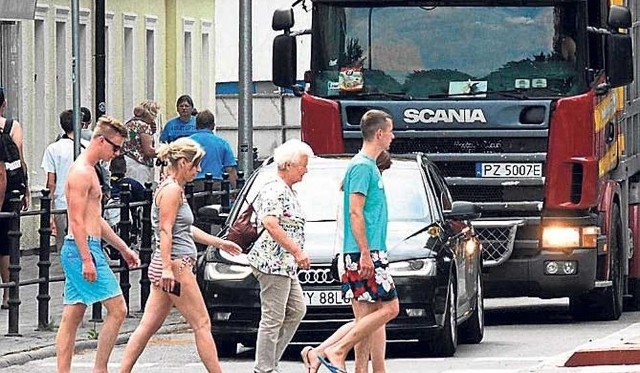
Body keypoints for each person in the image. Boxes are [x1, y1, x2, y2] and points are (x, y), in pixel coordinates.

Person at [119, 138, 242, 373]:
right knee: (202, 323)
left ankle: (122, 370)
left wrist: (219, 242)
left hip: (169, 265)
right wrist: (167, 268)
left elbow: (182, 229)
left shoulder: (171, 188)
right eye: (196, 165)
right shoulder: (173, 190)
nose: (198, 170)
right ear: (183, 163)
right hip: (177, 267)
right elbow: (166, 230)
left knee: (147, 326)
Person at [55, 116, 141, 373]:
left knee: (71, 317)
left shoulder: (89, 170)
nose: (116, 155)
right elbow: (77, 221)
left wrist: (123, 247)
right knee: (118, 309)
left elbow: (96, 220)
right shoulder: (81, 172)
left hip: (82, 247)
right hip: (81, 248)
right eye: (115, 148)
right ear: (100, 140)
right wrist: (86, 259)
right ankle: (100, 369)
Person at [316, 110, 398, 373]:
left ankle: (361, 369)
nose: (393, 136)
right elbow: (355, 211)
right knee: (390, 308)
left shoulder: (367, 165)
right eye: (391, 131)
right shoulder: (362, 166)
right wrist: (365, 252)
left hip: (367, 249)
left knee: (366, 316)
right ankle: (336, 350)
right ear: (379, 133)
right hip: (365, 250)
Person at [301, 150, 392, 373]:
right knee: (373, 318)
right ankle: (326, 352)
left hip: (351, 257)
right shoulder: (359, 192)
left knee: (367, 320)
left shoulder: (349, 192)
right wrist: (365, 253)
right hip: (359, 257)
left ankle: (333, 357)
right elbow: (356, 223)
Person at [247, 139, 314, 373]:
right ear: (287, 164)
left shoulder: (286, 189)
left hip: (283, 264)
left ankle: (270, 362)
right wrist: (297, 251)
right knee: (273, 317)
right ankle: (264, 368)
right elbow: (270, 223)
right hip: (273, 262)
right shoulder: (274, 188)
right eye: (302, 166)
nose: (306, 171)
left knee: (297, 309)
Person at [41, 110, 90, 251]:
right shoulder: (87, 147)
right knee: (84, 241)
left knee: (63, 244)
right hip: (84, 200)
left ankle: (67, 270)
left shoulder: (53, 149)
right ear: (79, 125)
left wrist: (48, 207)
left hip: (62, 201)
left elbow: (51, 182)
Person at [0, 87, 29, 309]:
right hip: (9, 194)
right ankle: (9, 293)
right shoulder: (11, 127)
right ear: (3, 104)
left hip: (4, 192)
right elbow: (19, 159)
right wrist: (24, 190)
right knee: (6, 245)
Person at [189, 109, 237, 189]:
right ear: (213, 125)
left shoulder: (188, 142)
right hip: (216, 184)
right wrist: (235, 189)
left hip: (193, 184)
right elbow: (230, 169)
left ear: (196, 125)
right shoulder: (222, 143)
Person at [122, 100, 161, 185]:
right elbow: (148, 151)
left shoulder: (129, 124)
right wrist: (164, 151)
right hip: (139, 165)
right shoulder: (144, 126)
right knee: (139, 191)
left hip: (126, 162)